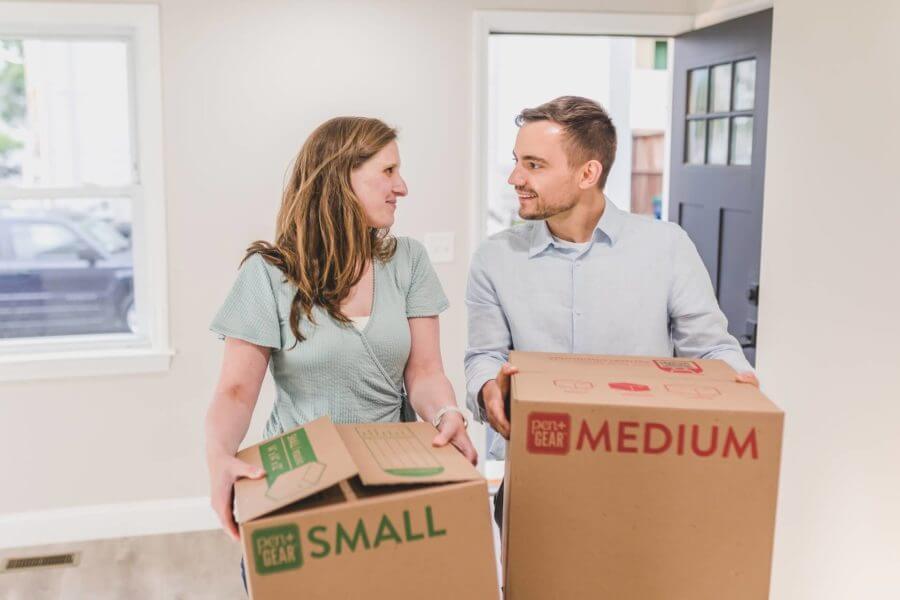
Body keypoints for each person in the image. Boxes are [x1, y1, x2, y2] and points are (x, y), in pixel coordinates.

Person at [463, 96, 758, 528]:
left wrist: (737, 383)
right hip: (537, 476)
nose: (515, 178)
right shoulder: (494, 259)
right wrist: (489, 389)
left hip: (648, 476)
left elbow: (710, 348)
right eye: (516, 162)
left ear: (588, 172)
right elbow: (483, 355)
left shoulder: (667, 247)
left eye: (534, 165)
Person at [205, 116, 476, 553]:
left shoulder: (408, 262)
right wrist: (219, 456)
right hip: (303, 480)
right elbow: (236, 390)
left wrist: (446, 412)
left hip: (392, 475)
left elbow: (425, 372)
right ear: (341, 177)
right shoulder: (269, 274)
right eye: (388, 171)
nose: (402, 186)